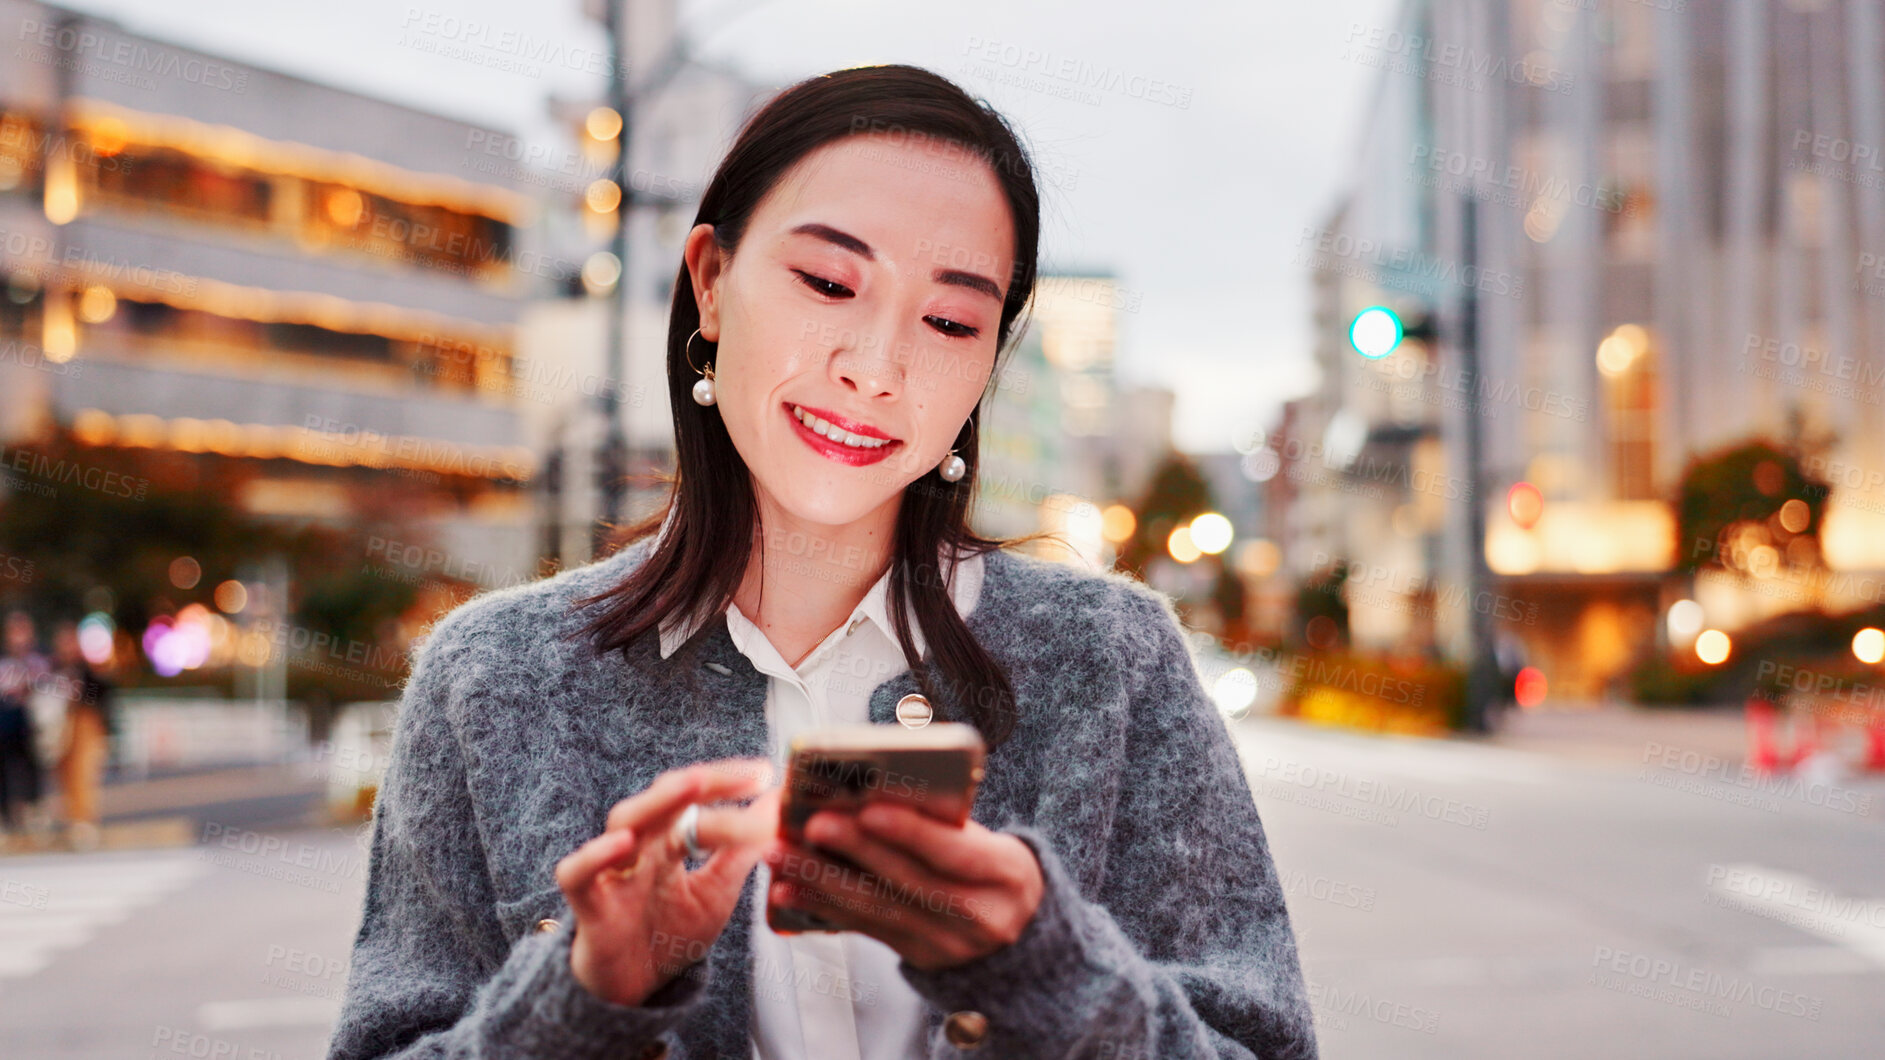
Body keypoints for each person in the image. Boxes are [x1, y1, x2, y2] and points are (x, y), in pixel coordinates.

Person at [326, 65, 1315, 1060]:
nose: (874, 368)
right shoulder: (491, 676)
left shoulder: (1112, 661)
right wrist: (581, 999)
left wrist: (1052, 973)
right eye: (829, 283)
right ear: (710, 282)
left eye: (950, 321)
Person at [51, 620, 113, 851]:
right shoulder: (53, 669)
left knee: (84, 776)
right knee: (65, 778)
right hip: (61, 731)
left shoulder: (88, 671)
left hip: (85, 728)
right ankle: (72, 822)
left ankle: (85, 823)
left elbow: (102, 696)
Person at [0, 610, 48, 848]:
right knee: (6, 772)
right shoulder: (4, 662)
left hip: (30, 726)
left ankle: (32, 812)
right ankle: (8, 817)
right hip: (5, 726)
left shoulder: (38, 662)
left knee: (31, 768)